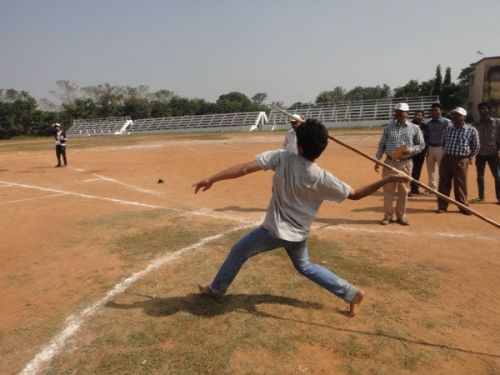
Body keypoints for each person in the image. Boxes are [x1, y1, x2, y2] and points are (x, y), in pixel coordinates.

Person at [193, 119, 409, 317]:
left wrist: (211, 178)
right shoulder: (323, 177)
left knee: (239, 251)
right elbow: (355, 194)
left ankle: (216, 290)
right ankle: (352, 294)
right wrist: (386, 179)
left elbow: (243, 168)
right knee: (305, 266)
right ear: (321, 148)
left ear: (300, 145)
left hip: (273, 231)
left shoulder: (282, 158)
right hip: (298, 235)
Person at [374, 103, 425, 225]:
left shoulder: (414, 128)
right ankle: (387, 216)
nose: (399, 114)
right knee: (388, 190)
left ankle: (401, 216)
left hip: (405, 163)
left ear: (407, 113)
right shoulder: (388, 128)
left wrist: (411, 150)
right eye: (397, 112)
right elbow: (382, 144)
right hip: (389, 162)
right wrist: (378, 159)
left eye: (402, 112)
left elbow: (421, 145)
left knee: (403, 190)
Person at [437, 107, 479, 214]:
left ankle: (463, 206)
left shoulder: (471, 130)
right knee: (443, 183)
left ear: (464, 117)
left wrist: (469, 156)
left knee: (460, 184)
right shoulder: (448, 129)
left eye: (458, 115)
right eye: (453, 115)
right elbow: (443, 142)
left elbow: (476, 146)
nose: (454, 117)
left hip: (461, 160)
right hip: (447, 159)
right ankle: (442, 206)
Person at [472, 102, 500, 204]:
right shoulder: (475, 124)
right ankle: (481, 196)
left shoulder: (497, 122)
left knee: (497, 176)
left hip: (493, 153)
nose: (482, 111)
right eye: (480, 109)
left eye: (484, 109)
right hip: (480, 154)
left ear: (489, 110)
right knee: (480, 176)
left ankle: (499, 197)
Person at [425, 103, 452, 190]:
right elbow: (426, 136)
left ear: (441, 111)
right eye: (432, 110)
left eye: (436, 110)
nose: (434, 112)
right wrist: (426, 148)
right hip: (430, 148)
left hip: (441, 148)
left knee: (443, 169)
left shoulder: (447, 122)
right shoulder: (428, 124)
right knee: (430, 169)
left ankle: (443, 187)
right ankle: (432, 187)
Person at [409, 110, 427, 196]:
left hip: (421, 152)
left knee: (417, 170)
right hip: (411, 151)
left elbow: (427, 138)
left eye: (419, 115)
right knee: (408, 170)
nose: (417, 116)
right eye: (415, 115)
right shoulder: (409, 125)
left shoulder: (425, 126)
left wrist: (426, 150)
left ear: (423, 117)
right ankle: (407, 189)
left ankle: (414, 188)